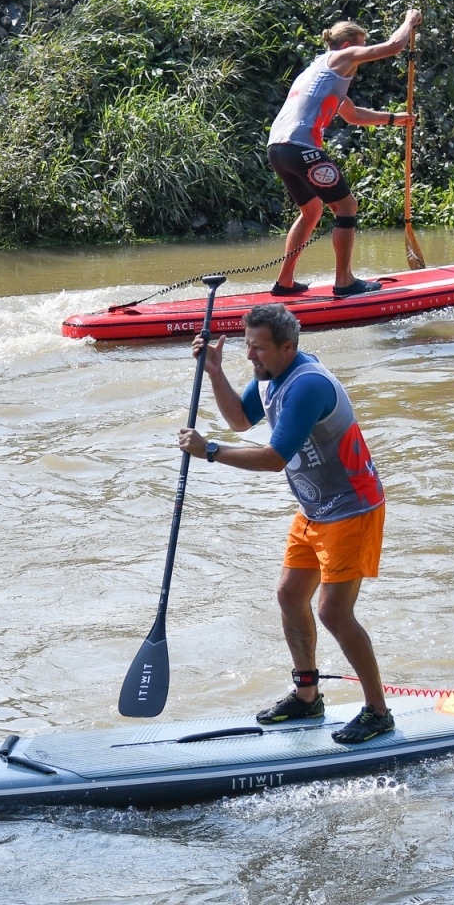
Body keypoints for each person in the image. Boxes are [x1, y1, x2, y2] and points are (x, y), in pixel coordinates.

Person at [177, 303, 392, 744]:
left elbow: (275, 460)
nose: (250, 357)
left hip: (352, 509)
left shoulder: (306, 385)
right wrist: (214, 372)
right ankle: (307, 695)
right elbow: (240, 419)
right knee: (290, 595)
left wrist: (211, 452)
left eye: (257, 349)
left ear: (287, 346)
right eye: (246, 347)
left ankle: (377, 711)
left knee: (333, 612)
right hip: (315, 508)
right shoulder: (272, 375)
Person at [267, 9, 423, 298]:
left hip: (278, 149)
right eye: (361, 47)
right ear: (349, 46)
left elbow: (351, 115)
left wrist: (394, 118)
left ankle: (284, 282)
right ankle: (344, 282)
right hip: (301, 148)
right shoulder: (341, 59)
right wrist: (408, 22)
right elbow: (394, 47)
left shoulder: (319, 72)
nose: (362, 56)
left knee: (312, 211)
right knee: (347, 207)